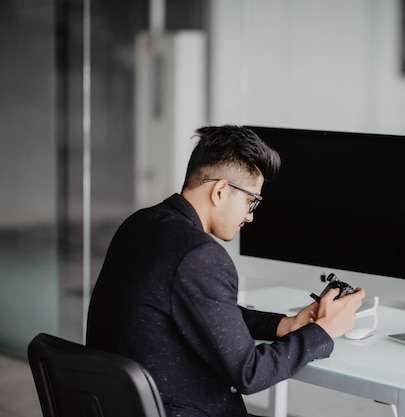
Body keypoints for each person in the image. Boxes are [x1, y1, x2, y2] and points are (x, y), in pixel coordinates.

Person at [86, 125, 365, 417]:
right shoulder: (199, 255)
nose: (250, 215)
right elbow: (250, 373)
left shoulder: (139, 224)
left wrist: (284, 325)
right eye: (251, 200)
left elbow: (208, 312)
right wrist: (324, 331)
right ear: (220, 190)